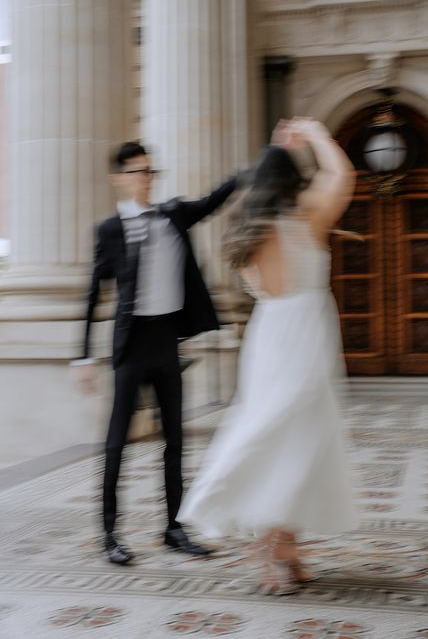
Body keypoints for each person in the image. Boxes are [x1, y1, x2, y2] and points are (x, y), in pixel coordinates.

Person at [177, 118, 359, 594]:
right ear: (291, 179)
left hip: (269, 333)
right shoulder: (307, 215)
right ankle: (277, 545)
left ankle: (284, 546)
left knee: (285, 431)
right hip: (304, 331)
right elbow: (343, 175)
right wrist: (316, 134)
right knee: (299, 433)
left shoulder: (246, 232)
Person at [78, 141, 242, 564]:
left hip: (167, 340)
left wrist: (248, 173)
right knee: (117, 444)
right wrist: (83, 357)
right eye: (137, 171)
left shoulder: (172, 214)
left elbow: (211, 202)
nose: (146, 178)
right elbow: (95, 292)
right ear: (118, 177)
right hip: (131, 346)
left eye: (150, 171)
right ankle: (110, 535)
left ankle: (173, 528)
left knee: (175, 440)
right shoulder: (109, 230)